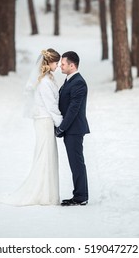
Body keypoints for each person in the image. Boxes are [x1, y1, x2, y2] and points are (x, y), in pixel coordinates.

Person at [0, 48, 62, 206]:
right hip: (45, 121)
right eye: (56, 62)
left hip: (45, 121)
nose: (58, 66)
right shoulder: (45, 82)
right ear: (49, 62)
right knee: (44, 156)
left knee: (48, 155)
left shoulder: (47, 78)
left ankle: (47, 193)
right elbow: (51, 106)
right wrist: (61, 123)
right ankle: (42, 193)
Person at [55, 51, 90, 206]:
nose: (60, 66)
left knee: (77, 163)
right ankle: (79, 194)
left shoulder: (79, 83)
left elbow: (73, 110)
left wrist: (62, 128)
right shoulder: (69, 80)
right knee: (74, 163)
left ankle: (81, 197)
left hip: (74, 130)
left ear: (72, 65)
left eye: (63, 64)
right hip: (70, 129)